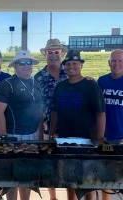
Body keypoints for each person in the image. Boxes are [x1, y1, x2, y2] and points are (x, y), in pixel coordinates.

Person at [50, 50, 106, 200]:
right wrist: (51, 133)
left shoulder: (90, 85)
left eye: (75, 63)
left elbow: (100, 113)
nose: (71, 67)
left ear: (81, 65)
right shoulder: (60, 86)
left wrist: (100, 138)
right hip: (65, 140)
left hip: (87, 140)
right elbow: (54, 111)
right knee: (69, 179)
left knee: (88, 182)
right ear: (64, 67)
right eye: (68, 64)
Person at [0, 50, 43, 200]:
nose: (26, 66)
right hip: (13, 136)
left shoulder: (37, 83)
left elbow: (40, 112)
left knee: (27, 177)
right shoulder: (7, 84)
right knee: (12, 178)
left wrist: (40, 135)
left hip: (33, 136)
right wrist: (4, 137)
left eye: (29, 62)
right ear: (15, 66)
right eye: (22, 63)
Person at [34, 38, 67, 200]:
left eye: (56, 51)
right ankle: (53, 197)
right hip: (47, 129)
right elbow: (37, 109)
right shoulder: (38, 77)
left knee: (68, 167)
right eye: (50, 52)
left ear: (61, 54)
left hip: (69, 129)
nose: (53, 55)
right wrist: (39, 136)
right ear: (45, 54)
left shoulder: (69, 73)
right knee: (49, 166)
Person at [98, 49, 123, 200]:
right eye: (114, 60)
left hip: (121, 137)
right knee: (105, 174)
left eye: (120, 60)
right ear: (109, 63)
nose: (116, 64)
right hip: (105, 137)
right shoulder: (101, 81)